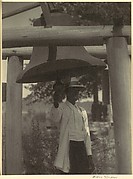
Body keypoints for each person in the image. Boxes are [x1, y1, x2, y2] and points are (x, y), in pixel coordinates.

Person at [50, 77, 95, 174]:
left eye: (77, 91)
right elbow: (55, 118)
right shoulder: (61, 107)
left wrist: (89, 155)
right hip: (69, 147)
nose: (75, 94)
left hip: (81, 147)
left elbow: (86, 134)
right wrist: (56, 102)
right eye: (72, 91)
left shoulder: (82, 111)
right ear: (67, 92)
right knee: (69, 172)